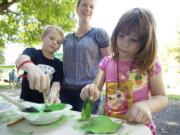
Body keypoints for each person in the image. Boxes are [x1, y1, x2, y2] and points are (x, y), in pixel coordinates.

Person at [80, 8, 168, 135]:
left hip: (138, 129)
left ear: (146, 41)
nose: (124, 44)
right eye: (121, 36)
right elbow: (95, 88)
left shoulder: (150, 64)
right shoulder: (106, 62)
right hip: (109, 128)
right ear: (116, 33)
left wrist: (147, 105)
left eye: (133, 40)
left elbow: (162, 98)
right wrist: (89, 90)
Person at [61, 0, 110, 112]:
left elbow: (108, 62)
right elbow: (64, 63)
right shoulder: (67, 38)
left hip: (88, 91)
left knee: (84, 127)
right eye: (84, 5)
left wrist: (96, 87)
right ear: (77, 8)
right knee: (64, 126)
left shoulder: (99, 33)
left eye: (91, 7)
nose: (88, 9)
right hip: (65, 91)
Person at [15, 25, 64, 104]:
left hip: (45, 104)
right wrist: (32, 68)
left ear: (59, 47)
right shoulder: (32, 52)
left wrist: (52, 95)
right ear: (42, 37)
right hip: (26, 103)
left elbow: (56, 82)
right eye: (51, 38)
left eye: (58, 42)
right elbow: (20, 60)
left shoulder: (58, 64)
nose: (55, 42)